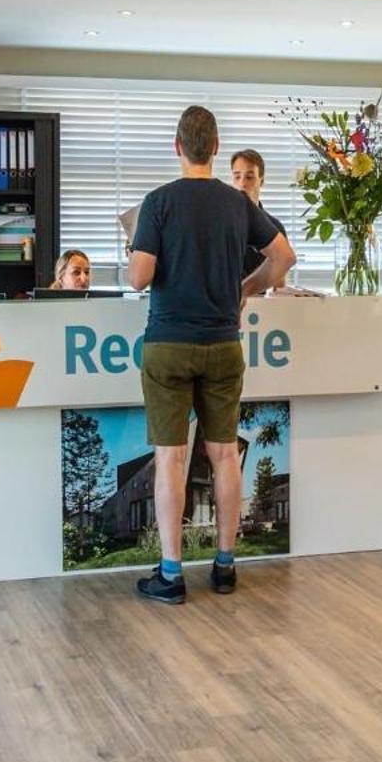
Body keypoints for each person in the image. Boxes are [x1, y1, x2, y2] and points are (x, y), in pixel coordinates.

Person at [127, 107, 295, 604]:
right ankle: (224, 566)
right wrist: (245, 287)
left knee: (171, 458)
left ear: (177, 147)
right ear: (217, 149)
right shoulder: (237, 204)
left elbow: (138, 278)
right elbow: (283, 257)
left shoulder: (158, 203)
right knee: (225, 456)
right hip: (223, 343)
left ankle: (172, 574)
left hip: (169, 344)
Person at [229, 148, 289, 285]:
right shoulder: (222, 223)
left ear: (261, 181)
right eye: (237, 176)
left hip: (262, 304)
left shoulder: (275, 227)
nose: (242, 184)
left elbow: (279, 286)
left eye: (249, 177)